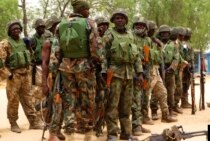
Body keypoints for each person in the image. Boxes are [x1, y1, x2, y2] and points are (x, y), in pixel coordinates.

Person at [56, 0, 98, 140]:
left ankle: (69, 133)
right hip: (84, 66)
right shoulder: (89, 23)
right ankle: (87, 133)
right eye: (87, 9)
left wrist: (61, 64)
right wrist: (96, 61)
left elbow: (57, 50)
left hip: (66, 67)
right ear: (82, 10)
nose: (89, 12)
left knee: (69, 99)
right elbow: (94, 47)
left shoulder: (61, 24)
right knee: (87, 98)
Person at [101, 8, 143, 141]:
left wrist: (140, 72)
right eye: (117, 18)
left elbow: (137, 56)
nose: (119, 20)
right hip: (114, 74)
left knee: (127, 106)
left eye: (122, 18)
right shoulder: (109, 34)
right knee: (112, 105)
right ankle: (112, 135)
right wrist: (103, 72)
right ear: (113, 21)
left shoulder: (131, 35)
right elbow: (103, 55)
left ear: (126, 20)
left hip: (129, 74)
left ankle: (126, 133)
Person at [0, 20, 43, 133]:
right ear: (9, 31)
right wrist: (7, 74)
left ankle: (33, 122)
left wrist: (29, 46)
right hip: (14, 75)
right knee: (13, 100)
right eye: (14, 29)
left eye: (18, 28)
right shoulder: (5, 43)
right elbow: (1, 61)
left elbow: (30, 56)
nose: (16, 30)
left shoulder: (24, 42)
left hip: (26, 74)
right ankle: (13, 123)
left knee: (28, 98)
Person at [42, 15, 65, 141]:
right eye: (56, 25)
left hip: (66, 75)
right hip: (54, 77)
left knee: (64, 105)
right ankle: (52, 132)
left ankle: (58, 129)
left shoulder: (65, 40)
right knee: (54, 104)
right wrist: (44, 83)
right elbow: (44, 63)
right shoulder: (48, 42)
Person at [181, 27, 194, 108]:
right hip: (185, 67)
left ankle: (184, 101)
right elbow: (185, 55)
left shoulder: (186, 44)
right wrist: (187, 64)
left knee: (186, 84)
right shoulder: (184, 44)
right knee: (184, 84)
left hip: (188, 67)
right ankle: (183, 102)